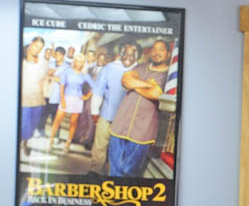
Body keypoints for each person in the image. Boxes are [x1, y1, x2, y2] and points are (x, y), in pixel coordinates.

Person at [107, 39, 170, 177]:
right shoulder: (140, 67)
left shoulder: (168, 75)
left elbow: (156, 94)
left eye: (161, 50)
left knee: (129, 171)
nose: (156, 53)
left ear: (168, 53)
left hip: (142, 132)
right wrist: (148, 85)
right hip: (120, 125)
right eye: (154, 49)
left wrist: (135, 85)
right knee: (114, 169)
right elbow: (125, 80)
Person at [89, 44, 137, 175]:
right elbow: (99, 91)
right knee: (100, 146)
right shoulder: (109, 68)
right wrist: (94, 111)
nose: (128, 57)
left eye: (133, 54)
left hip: (127, 120)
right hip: (107, 115)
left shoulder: (139, 71)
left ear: (138, 56)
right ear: (120, 54)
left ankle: (112, 175)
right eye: (125, 53)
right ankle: (95, 172)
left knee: (118, 150)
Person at [47, 52, 96, 154]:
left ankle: (67, 145)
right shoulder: (68, 71)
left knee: (73, 123)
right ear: (74, 61)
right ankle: (50, 141)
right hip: (66, 97)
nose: (78, 63)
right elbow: (62, 85)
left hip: (77, 100)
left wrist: (86, 96)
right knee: (57, 120)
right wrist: (63, 100)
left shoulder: (84, 75)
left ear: (83, 63)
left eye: (81, 62)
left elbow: (94, 86)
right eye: (77, 61)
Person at [19, 36, 48, 156]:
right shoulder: (20, 60)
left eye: (40, 48)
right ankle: (19, 143)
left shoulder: (43, 62)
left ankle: (25, 142)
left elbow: (44, 81)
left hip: (38, 100)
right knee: (24, 124)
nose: (37, 49)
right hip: (23, 100)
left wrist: (44, 97)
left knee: (32, 125)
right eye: (36, 46)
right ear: (31, 43)